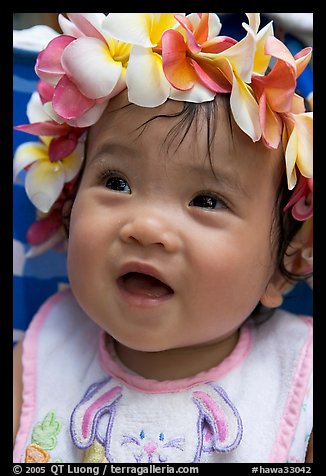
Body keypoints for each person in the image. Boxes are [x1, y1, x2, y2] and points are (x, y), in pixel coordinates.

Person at [13, 13, 313, 464]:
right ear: (69, 207)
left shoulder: (298, 377)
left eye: (207, 201)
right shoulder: (41, 357)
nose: (147, 228)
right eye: (116, 182)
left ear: (281, 269)